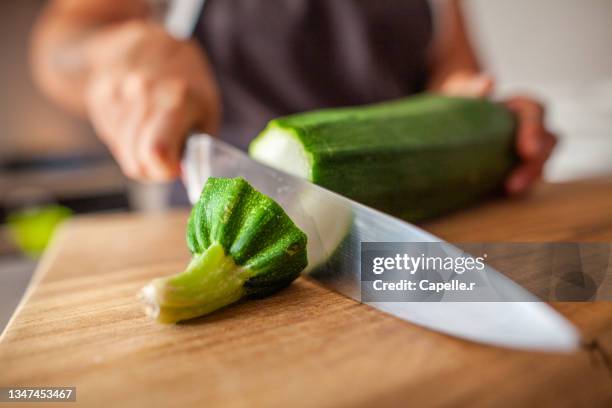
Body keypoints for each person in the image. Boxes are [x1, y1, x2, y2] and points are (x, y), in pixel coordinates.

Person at [30, 0, 555, 195]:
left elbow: (453, 71)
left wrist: (480, 122)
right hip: (226, 216)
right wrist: (113, 54)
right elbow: (61, 44)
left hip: (397, 219)